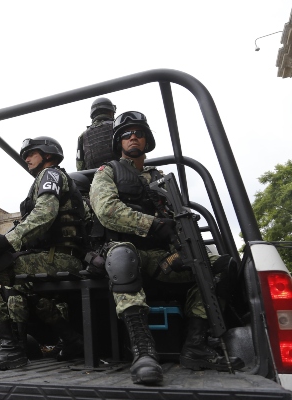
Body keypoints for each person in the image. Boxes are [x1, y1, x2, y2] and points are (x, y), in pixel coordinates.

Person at [89, 111, 243, 384]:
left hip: (164, 257)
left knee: (222, 265)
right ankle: (143, 351)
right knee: (122, 254)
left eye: (139, 132)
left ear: (147, 141)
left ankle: (196, 344)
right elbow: (106, 210)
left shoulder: (162, 180)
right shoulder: (107, 172)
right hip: (125, 254)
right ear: (119, 143)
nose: (133, 136)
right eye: (126, 133)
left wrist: (184, 251)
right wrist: (153, 224)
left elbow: (179, 219)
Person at [0, 136, 87, 371]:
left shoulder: (51, 174)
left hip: (62, 258)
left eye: (31, 153)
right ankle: (72, 340)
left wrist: (8, 240)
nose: (26, 158)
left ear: (47, 154)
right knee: (26, 291)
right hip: (57, 257)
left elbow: (45, 213)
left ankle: (11, 348)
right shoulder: (45, 180)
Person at [76, 97, 118, 171]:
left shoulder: (82, 136)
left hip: (94, 177)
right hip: (120, 173)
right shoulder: (118, 126)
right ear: (110, 112)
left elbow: (80, 166)